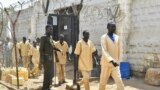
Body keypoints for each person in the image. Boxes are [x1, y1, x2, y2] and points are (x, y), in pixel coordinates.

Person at [99, 22, 124, 90]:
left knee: (119, 81)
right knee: (103, 82)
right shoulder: (103, 37)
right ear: (108, 27)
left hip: (115, 65)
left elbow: (120, 50)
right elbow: (104, 50)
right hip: (106, 64)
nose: (114, 28)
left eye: (114, 27)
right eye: (112, 27)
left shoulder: (117, 37)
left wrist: (118, 61)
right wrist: (111, 60)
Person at [40, 24, 61, 90]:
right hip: (46, 58)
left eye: (52, 29)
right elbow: (41, 49)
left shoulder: (51, 38)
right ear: (46, 30)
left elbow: (53, 47)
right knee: (46, 73)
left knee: (51, 73)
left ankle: (49, 86)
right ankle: (45, 87)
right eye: (50, 29)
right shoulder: (43, 37)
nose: (51, 30)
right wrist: (42, 59)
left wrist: (58, 49)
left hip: (51, 58)